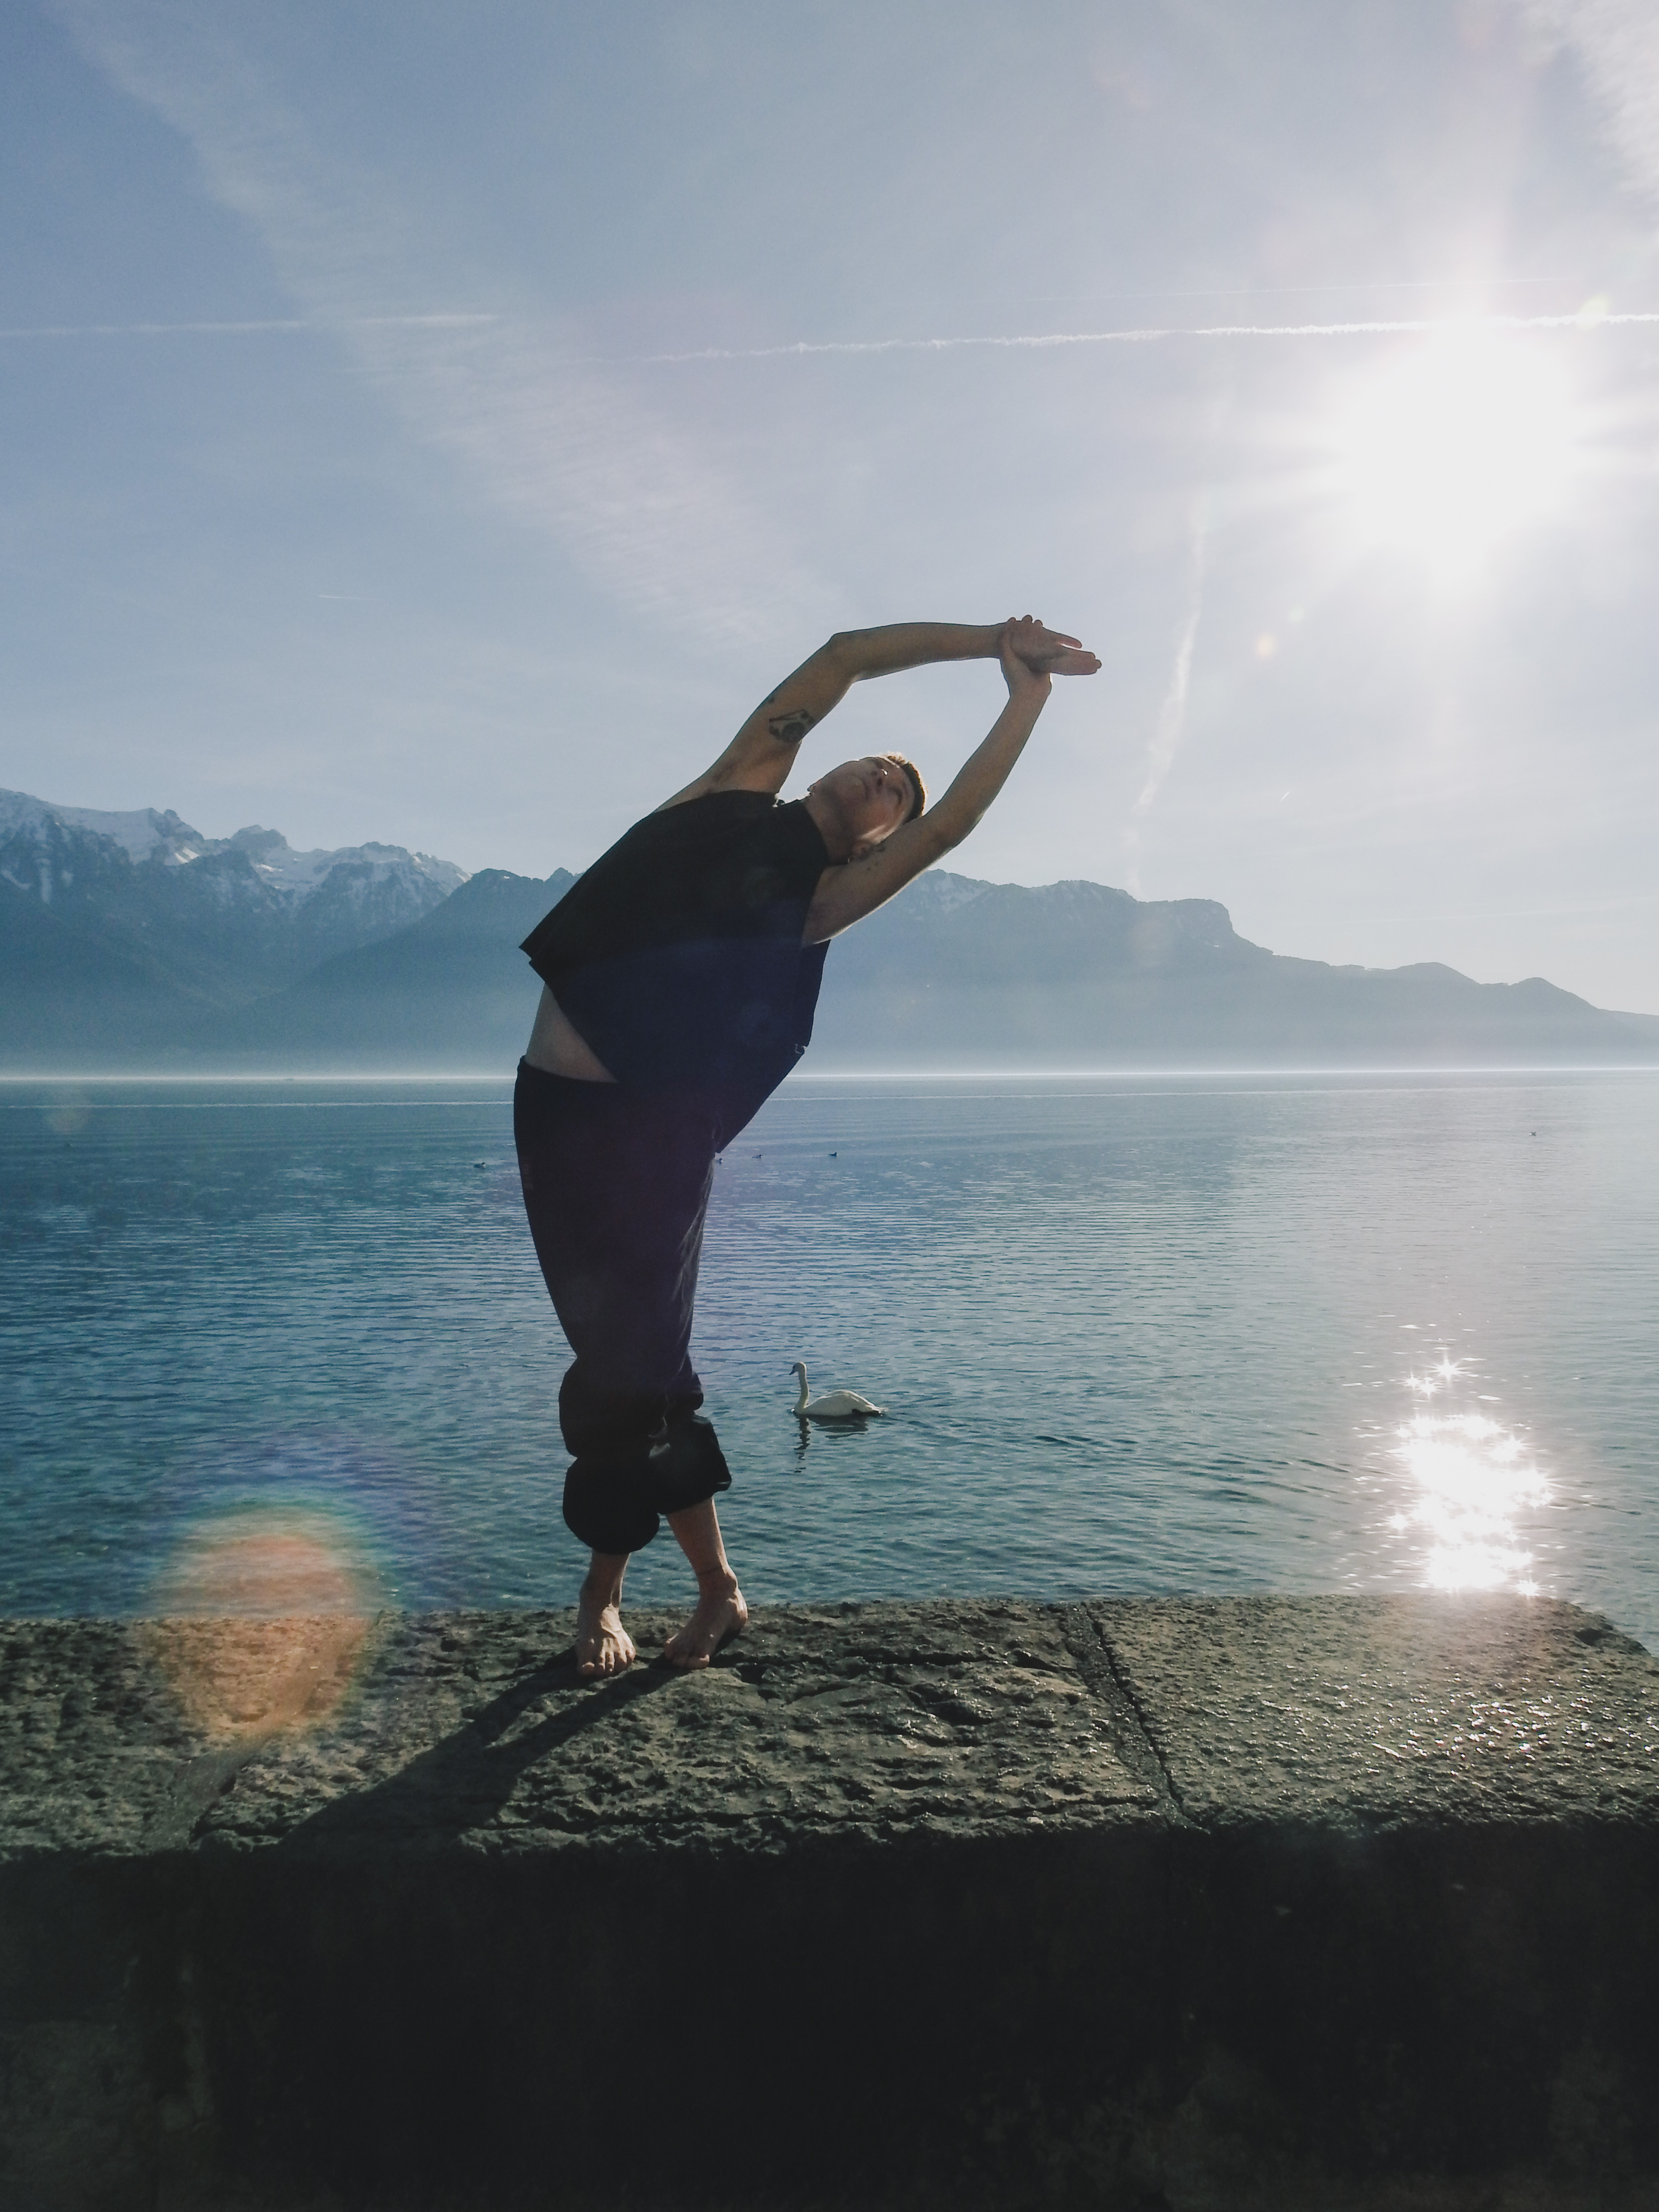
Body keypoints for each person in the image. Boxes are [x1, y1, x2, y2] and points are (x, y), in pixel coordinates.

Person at [514, 615, 1100, 1677]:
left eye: (896, 790)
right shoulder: (729, 790)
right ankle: (720, 1592)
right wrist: (985, 640)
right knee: (648, 1373)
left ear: (876, 838)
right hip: (550, 1113)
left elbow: (955, 823)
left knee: (625, 1369)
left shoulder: (819, 899)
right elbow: (839, 658)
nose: (886, 772)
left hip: (649, 1144)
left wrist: (1024, 696)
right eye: (878, 762)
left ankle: (603, 1599)